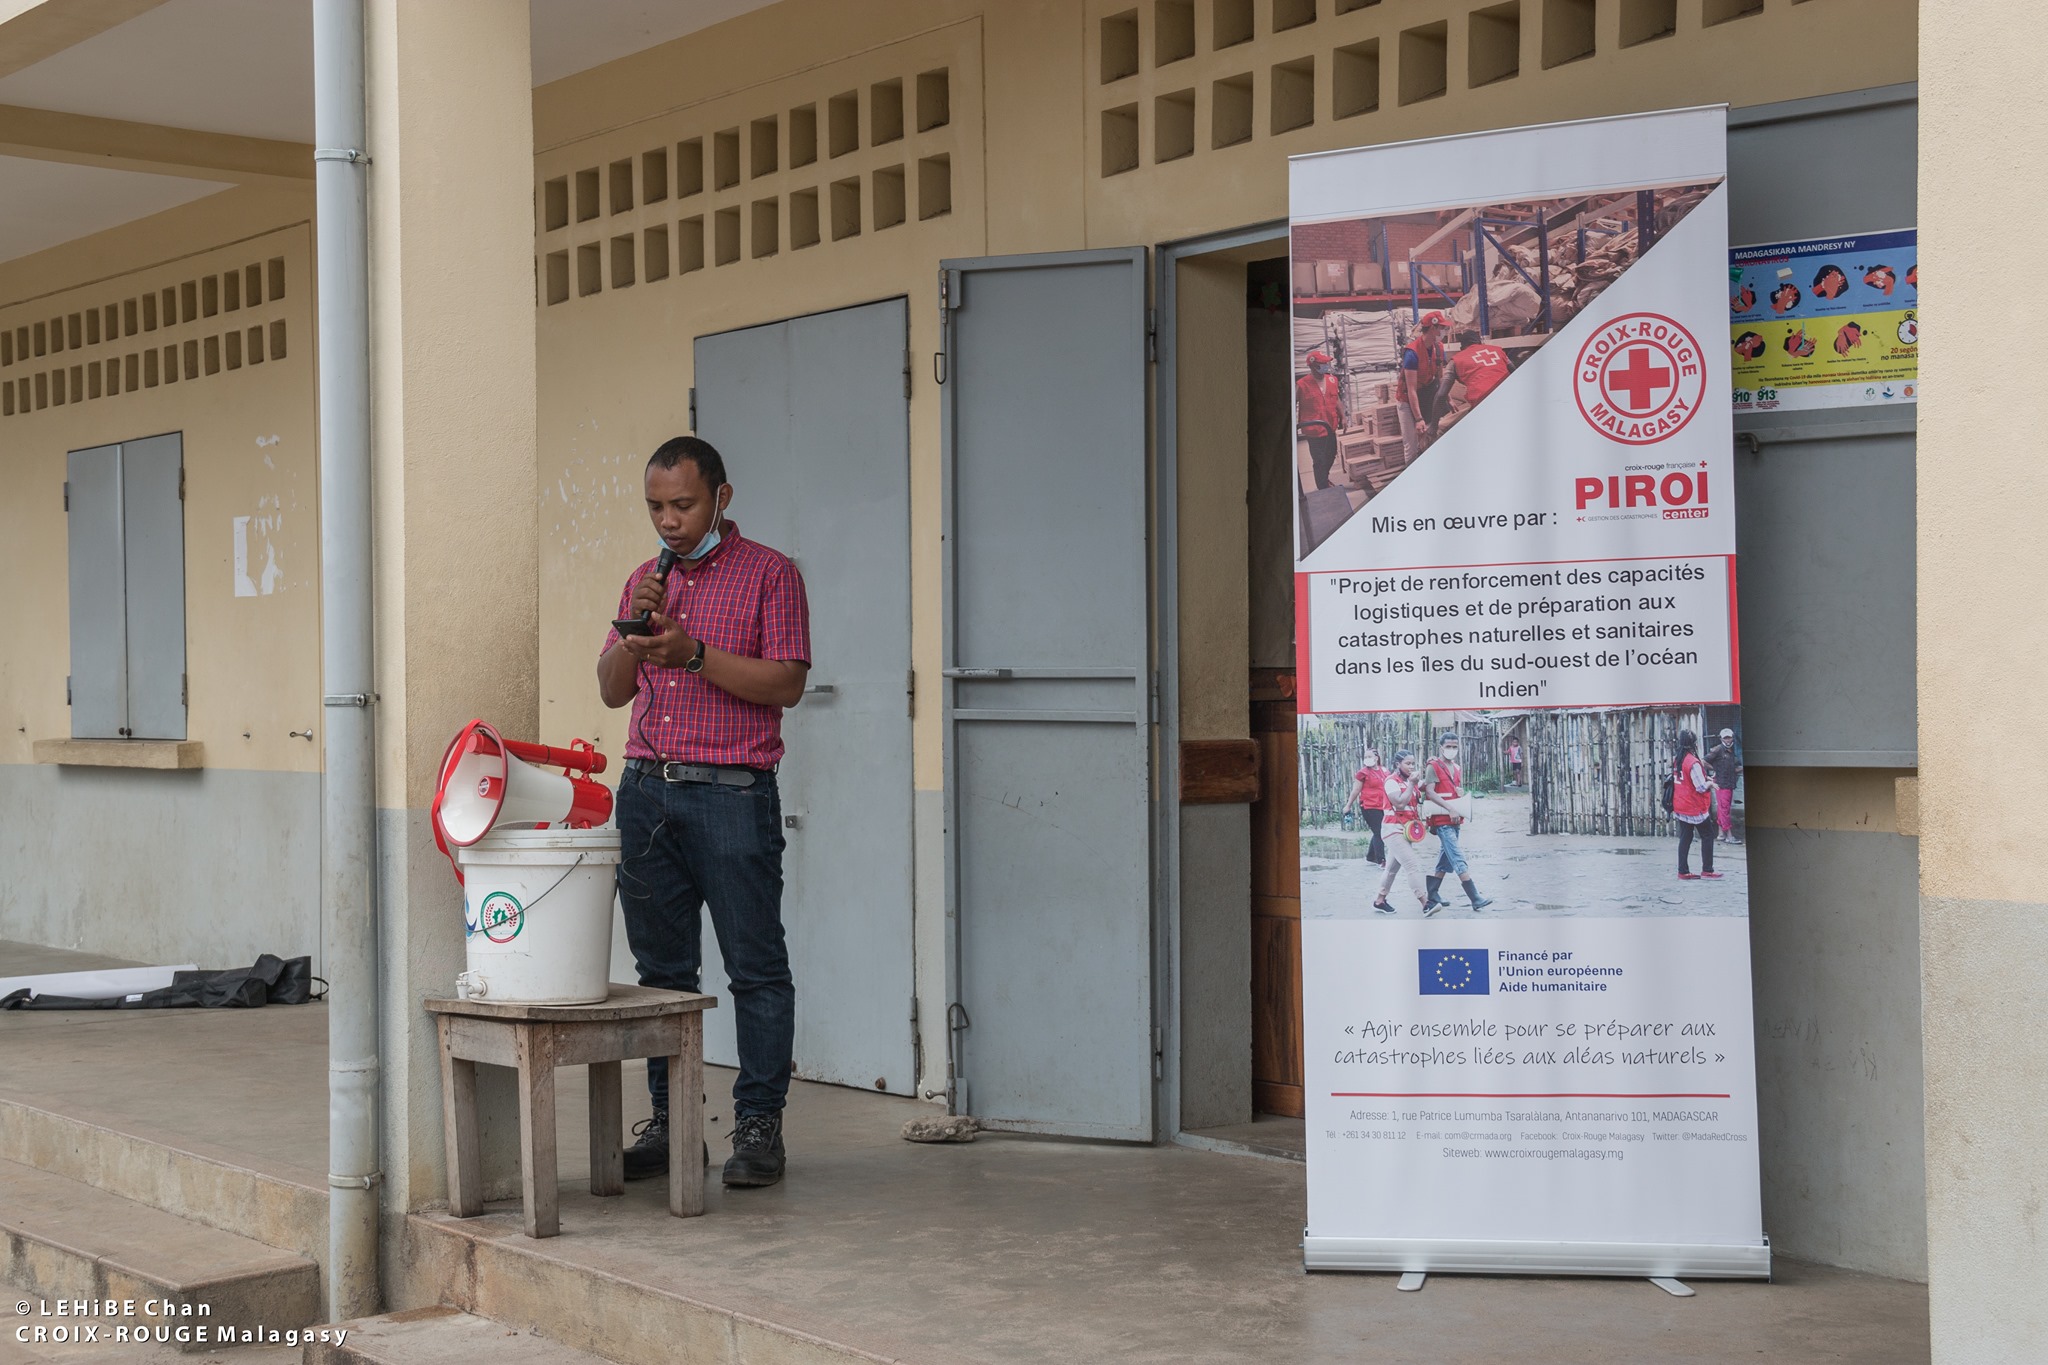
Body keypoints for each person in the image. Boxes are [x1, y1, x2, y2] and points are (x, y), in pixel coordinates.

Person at [597, 435, 812, 1189]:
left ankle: (758, 1125)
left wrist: (693, 654)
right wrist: (635, 634)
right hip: (645, 791)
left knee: (755, 966)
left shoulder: (771, 574)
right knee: (661, 974)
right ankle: (672, 1122)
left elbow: (786, 683)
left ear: (721, 497)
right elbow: (610, 690)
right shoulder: (644, 580)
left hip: (731, 793)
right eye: (656, 507)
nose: (669, 521)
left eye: (684, 505)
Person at [1424, 732, 1493, 911]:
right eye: (1448, 746)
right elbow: (1430, 792)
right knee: (1456, 856)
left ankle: (1432, 893)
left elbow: (1449, 788)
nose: (1452, 749)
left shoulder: (1457, 767)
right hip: (1442, 819)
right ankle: (1474, 897)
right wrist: (1450, 808)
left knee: (1445, 857)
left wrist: (1458, 793)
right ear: (1441, 747)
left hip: (1455, 818)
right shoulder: (1433, 766)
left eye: (1455, 746)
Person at [1372, 752, 1434, 915]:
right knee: (1412, 865)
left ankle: (1380, 900)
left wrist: (1433, 766)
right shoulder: (1391, 781)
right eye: (1407, 763)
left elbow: (1429, 785)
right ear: (1397, 764)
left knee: (1391, 870)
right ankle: (1425, 903)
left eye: (1413, 763)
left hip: (1406, 829)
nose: (1411, 767)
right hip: (1393, 829)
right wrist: (1412, 784)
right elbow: (1399, 803)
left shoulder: (1410, 781)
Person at [1671, 728, 1720, 881]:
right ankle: (1707, 869)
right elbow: (1699, 787)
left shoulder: (1678, 759)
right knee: (1707, 834)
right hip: (1694, 806)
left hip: (1681, 804)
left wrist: (1706, 780)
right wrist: (1710, 783)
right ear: (1694, 743)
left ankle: (1683, 871)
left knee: (1685, 837)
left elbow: (1686, 780)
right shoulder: (1692, 762)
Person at [1295, 350, 1345, 490]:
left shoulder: (1331, 380)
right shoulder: (1302, 384)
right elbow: (1292, 404)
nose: (1325, 366)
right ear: (1312, 365)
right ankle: (1323, 488)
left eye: (1326, 363)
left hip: (1330, 426)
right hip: (1314, 430)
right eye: (1322, 364)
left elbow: (1336, 400)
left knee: (1331, 455)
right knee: (1319, 460)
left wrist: (1343, 417)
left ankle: (1324, 478)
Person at [1399, 312, 1450, 442]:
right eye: (1442, 328)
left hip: (1426, 393)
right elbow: (1411, 389)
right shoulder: (1412, 353)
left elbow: (1440, 377)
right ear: (1433, 328)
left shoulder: (1438, 348)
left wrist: (1448, 399)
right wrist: (1418, 419)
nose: (1444, 332)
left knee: (1430, 435)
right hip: (1408, 397)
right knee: (1412, 442)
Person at [1344, 746, 1390, 865]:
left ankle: (1371, 856)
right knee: (1379, 832)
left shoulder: (1384, 771)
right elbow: (1356, 790)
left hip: (1383, 806)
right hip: (1369, 806)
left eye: (1369, 756)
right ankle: (1381, 860)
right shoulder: (1362, 773)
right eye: (1365, 757)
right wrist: (1348, 805)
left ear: (1376, 758)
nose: (1367, 758)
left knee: (1379, 831)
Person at [1448, 330, 1513, 409]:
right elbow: (1514, 371)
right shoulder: (1498, 350)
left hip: (1480, 398)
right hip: (1507, 393)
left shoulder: (1457, 359)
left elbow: (1441, 394)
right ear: (1480, 341)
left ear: (1462, 346)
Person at [1706, 728, 1742, 843]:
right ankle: (1729, 836)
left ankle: (1721, 834)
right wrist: (1715, 769)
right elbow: (1704, 761)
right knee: (1724, 810)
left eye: (1729, 737)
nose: (1727, 740)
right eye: (1725, 738)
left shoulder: (1731, 750)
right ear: (1721, 738)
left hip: (1728, 783)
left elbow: (1733, 767)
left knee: (1722, 809)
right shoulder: (1718, 749)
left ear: (1732, 738)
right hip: (1722, 784)